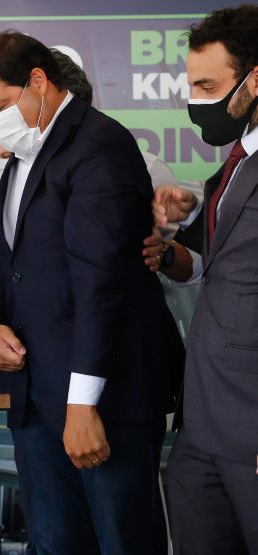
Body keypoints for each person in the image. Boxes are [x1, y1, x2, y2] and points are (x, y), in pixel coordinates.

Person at [0, 31, 184, 554]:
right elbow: (14, 267)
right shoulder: (21, 154)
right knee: (55, 543)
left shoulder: (99, 144)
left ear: (38, 81)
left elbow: (101, 279)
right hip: (37, 397)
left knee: (121, 542)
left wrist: (82, 405)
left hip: (104, 400)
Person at [149, 5, 258, 552]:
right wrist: (177, 238)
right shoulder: (236, 160)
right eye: (191, 84)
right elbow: (218, 266)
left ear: (256, 77)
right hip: (202, 426)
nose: (197, 99)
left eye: (208, 85)